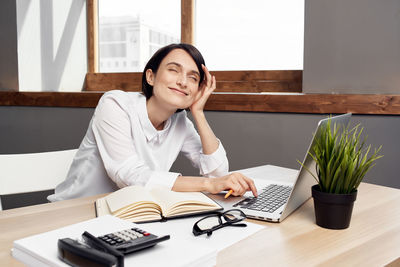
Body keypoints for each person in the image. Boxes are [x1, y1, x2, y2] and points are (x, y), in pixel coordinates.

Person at [48, 43, 257, 202]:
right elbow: (130, 176)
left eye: (193, 78)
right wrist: (209, 184)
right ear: (151, 76)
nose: (183, 82)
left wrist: (198, 112)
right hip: (74, 211)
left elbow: (219, 173)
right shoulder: (115, 104)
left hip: (128, 214)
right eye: (174, 70)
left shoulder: (180, 122)